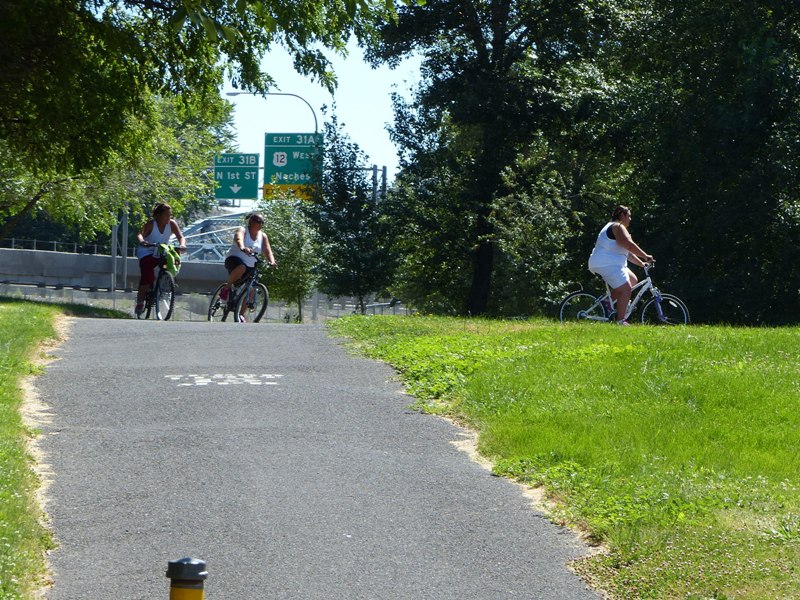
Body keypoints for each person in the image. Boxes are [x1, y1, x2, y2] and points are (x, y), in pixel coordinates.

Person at [588, 205, 653, 325]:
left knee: (633, 280)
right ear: (622, 215)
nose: (630, 219)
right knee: (626, 289)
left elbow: (628, 254)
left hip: (609, 263)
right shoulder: (617, 226)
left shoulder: (614, 227)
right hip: (606, 263)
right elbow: (629, 245)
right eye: (629, 216)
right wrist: (645, 255)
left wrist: (642, 264)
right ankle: (620, 321)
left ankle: (607, 303)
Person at [218, 212, 277, 321]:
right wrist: (242, 247)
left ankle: (241, 314)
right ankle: (227, 288)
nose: (261, 224)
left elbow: (268, 250)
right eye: (258, 221)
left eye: (262, 222)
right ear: (251, 222)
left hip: (251, 264)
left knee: (252, 289)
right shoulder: (243, 229)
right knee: (242, 267)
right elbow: (238, 238)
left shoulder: (263, 236)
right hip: (234, 260)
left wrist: (272, 261)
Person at [135, 203, 186, 315]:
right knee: (148, 275)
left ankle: (167, 280)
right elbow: (140, 234)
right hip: (147, 251)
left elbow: (180, 237)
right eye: (166, 215)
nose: (169, 218)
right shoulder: (151, 224)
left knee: (171, 261)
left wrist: (182, 245)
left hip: (161, 251)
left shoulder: (172, 224)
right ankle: (140, 301)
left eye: (170, 215)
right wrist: (143, 242)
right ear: (158, 215)